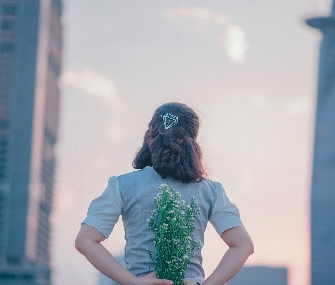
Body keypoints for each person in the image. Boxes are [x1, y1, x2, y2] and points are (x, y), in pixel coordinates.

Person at [75, 102, 254, 285]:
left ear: (149, 135)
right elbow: (243, 245)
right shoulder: (211, 191)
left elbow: (85, 240)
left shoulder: (122, 185)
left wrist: (133, 282)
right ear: (193, 143)